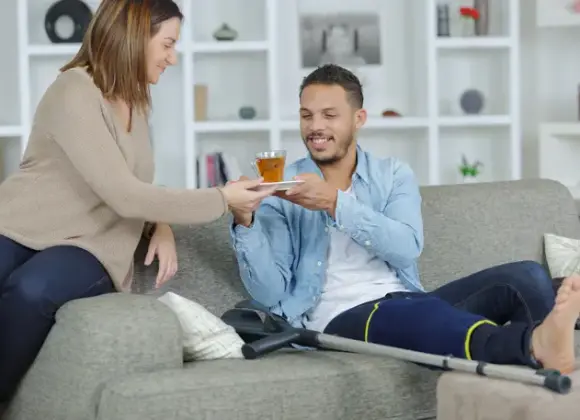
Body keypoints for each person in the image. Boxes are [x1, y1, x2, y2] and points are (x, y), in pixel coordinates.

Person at [0, 0, 276, 405]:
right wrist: (221, 198)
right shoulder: (74, 89)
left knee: (32, 290)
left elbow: (128, 185)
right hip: (19, 223)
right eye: (168, 44)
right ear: (134, 37)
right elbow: (125, 193)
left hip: (92, 245)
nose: (172, 58)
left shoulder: (138, 102)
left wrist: (158, 222)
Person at [229, 63, 580, 375]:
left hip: (405, 298)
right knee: (419, 315)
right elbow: (270, 292)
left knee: (526, 276)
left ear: (358, 119)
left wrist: (335, 203)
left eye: (329, 115)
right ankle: (530, 346)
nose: (315, 127)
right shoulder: (282, 188)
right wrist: (245, 221)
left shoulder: (392, 175)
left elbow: (406, 247)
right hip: (339, 317)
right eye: (307, 116)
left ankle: (546, 370)